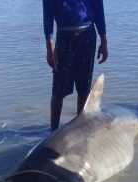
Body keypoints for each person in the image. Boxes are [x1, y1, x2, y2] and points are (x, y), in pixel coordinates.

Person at [43, 0, 108, 130]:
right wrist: (50, 47)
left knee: (84, 89)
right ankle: (52, 132)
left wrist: (104, 40)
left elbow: (98, 8)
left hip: (88, 34)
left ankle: (81, 129)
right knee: (58, 90)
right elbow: (48, 13)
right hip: (64, 36)